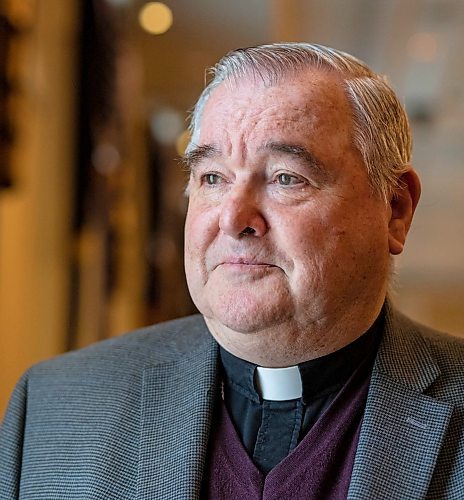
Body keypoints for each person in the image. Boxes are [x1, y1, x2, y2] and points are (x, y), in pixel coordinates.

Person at [1, 42, 463, 500]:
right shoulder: (54, 409)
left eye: (286, 177)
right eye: (212, 178)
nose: (233, 217)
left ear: (395, 209)